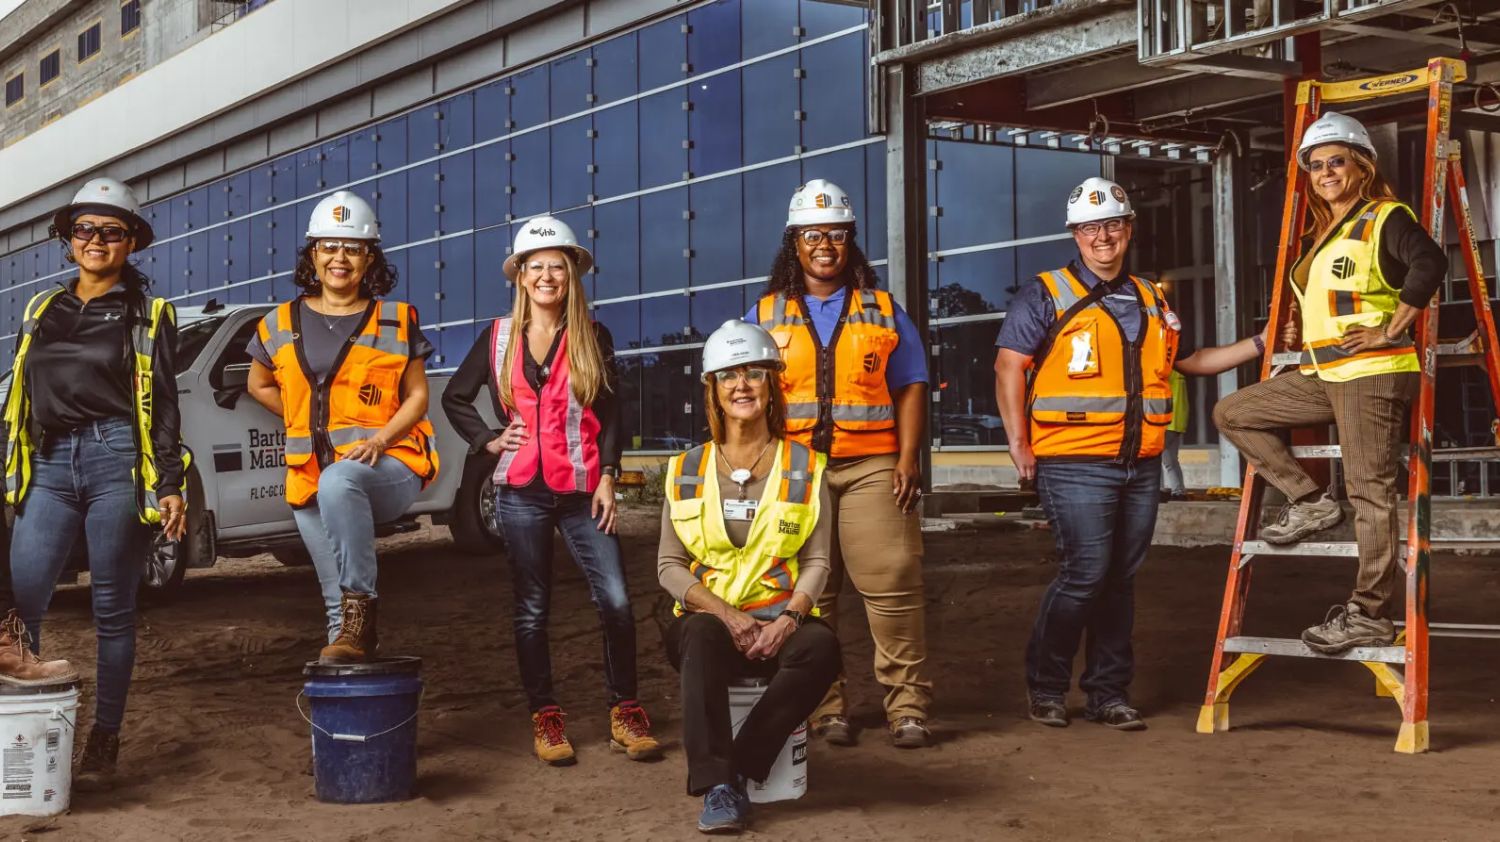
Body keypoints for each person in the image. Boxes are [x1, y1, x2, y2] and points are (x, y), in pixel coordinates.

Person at [993, 176, 1265, 730]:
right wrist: (1019, 443)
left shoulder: (1149, 296)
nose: (1103, 236)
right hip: (1072, 460)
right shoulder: (1044, 293)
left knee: (1120, 578)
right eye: (1091, 227)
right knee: (1085, 574)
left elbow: (1192, 360)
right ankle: (1046, 685)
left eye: (1113, 224)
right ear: (1075, 233)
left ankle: (1107, 693)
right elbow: (1008, 367)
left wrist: (1263, 344)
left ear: (1128, 229)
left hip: (1138, 463)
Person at [1212, 112, 1445, 655]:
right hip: (1323, 374)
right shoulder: (1326, 233)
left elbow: (1429, 263)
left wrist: (1390, 330)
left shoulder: (1383, 216)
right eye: (1316, 166)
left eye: (1336, 161)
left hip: (1372, 377)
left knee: (1371, 492)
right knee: (1233, 412)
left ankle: (1368, 613)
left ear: (1362, 166)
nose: (1325, 172)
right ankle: (1310, 499)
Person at [441, 216, 659, 767]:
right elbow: (456, 398)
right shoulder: (497, 338)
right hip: (520, 491)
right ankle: (546, 715)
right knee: (533, 607)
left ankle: (625, 710)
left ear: (571, 275)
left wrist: (609, 473)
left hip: (584, 488)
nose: (546, 275)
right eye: (535, 266)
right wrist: (489, 440)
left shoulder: (593, 335)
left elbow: (611, 410)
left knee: (615, 599)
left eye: (556, 267)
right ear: (519, 276)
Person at [2, 177, 187, 790]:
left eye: (111, 231)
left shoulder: (149, 314)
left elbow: (162, 405)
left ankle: (104, 741)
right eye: (85, 229)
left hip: (116, 462)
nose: (96, 240)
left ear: (131, 241)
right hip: (49, 466)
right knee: (18, 605)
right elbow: (21, 392)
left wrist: (168, 483)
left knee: (113, 609)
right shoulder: (41, 308)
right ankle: (16, 738)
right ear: (68, 239)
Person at [746, 178, 934, 749]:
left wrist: (907, 457)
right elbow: (742, 394)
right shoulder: (763, 313)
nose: (824, 245)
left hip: (872, 463)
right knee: (809, 591)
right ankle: (825, 708)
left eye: (836, 234)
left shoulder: (882, 310)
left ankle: (907, 707)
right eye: (811, 235)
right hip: (795, 471)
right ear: (793, 243)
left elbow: (910, 386)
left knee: (893, 579)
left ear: (850, 241)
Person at [658, 320, 841, 834]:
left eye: (754, 374)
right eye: (728, 376)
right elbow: (668, 567)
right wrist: (726, 614)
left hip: (779, 617)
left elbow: (819, 562)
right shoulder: (685, 468)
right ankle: (717, 787)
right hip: (712, 623)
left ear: (772, 384)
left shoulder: (805, 466)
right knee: (697, 634)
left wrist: (786, 621)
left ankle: (733, 771)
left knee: (820, 649)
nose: (742, 386)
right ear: (712, 389)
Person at [245, 190, 440, 663]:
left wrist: (379, 439)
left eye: (352, 248)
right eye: (330, 246)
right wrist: (302, 420)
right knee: (337, 612)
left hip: (389, 464)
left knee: (341, 480)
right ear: (313, 254)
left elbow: (417, 396)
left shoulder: (395, 320)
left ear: (369, 257)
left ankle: (361, 612)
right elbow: (259, 384)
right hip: (309, 472)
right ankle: (354, 653)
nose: (340, 257)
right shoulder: (279, 323)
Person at [1161, 370, 1189, 500]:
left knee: (1152, 459)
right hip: (1178, 422)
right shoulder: (1180, 375)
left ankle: (1159, 490)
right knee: (1170, 460)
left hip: (1166, 422)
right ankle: (1179, 491)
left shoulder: (1168, 374)